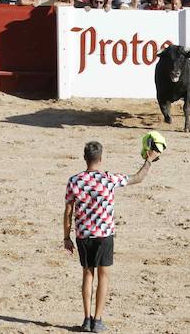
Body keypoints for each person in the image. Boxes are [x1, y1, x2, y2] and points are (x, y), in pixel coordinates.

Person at [64, 140, 155, 334]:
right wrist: (149, 161)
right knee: (104, 276)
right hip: (104, 234)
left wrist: (66, 236)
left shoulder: (74, 181)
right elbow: (138, 178)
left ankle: (86, 319)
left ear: (85, 158)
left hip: (83, 234)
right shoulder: (109, 179)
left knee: (88, 274)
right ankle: (97, 321)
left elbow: (68, 211)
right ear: (101, 159)